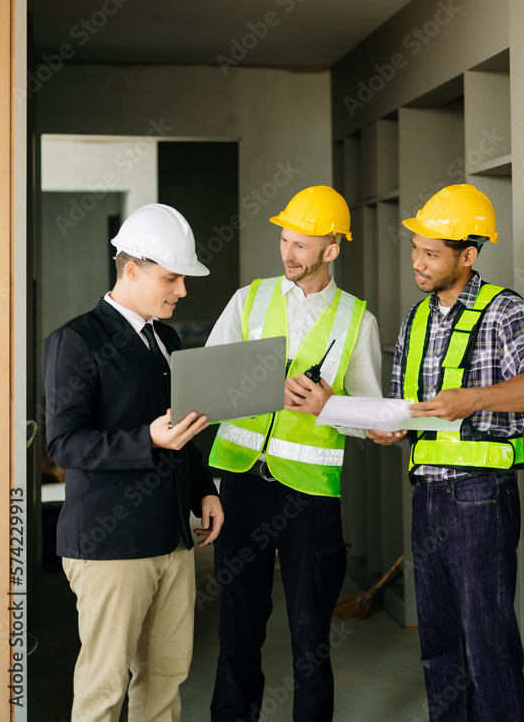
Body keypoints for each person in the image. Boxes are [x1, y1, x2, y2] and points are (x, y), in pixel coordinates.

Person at [369, 184, 524, 722]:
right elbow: (407, 408)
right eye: (415, 249)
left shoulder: (505, 311)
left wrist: (474, 398)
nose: (418, 262)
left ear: (467, 255)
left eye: (431, 253)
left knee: (488, 647)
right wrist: (389, 428)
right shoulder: (414, 319)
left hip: (480, 499)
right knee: (438, 646)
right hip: (426, 495)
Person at [206, 184, 382, 722]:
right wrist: (264, 388)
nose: (288, 253)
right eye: (285, 240)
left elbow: (374, 419)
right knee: (238, 628)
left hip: (310, 498)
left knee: (311, 636)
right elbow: (208, 383)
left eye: (302, 245)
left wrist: (327, 407)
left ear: (331, 250)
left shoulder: (358, 321)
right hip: (241, 484)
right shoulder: (249, 299)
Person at [43, 203, 224, 722]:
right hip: (110, 546)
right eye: (172, 278)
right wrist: (146, 438)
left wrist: (204, 491)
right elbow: (66, 444)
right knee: (104, 689)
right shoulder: (76, 341)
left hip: (171, 537)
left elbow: (180, 429)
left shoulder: (166, 339)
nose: (182, 291)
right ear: (132, 271)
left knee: (164, 681)